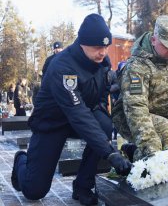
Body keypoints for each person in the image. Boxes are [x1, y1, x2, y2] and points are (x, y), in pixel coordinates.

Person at [11, 13, 132, 205]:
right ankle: (21, 161)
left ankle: (83, 186)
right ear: (82, 43)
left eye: (106, 47)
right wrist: (110, 153)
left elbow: (99, 99)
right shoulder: (63, 67)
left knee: (104, 126)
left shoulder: (102, 62)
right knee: (35, 190)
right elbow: (78, 113)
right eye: (97, 47)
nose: (103, 52)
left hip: (80, 115)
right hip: (52, 122)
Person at [112, 15, 168, 162]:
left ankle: (135, 151)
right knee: (162, 137)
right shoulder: (137, 66)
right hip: (130, 117)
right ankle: (141, 167)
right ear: (154, 40)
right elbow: (136, 108)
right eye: (167, 46)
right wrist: (151, 151)